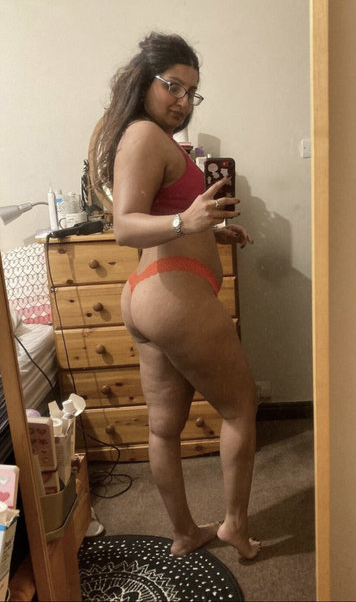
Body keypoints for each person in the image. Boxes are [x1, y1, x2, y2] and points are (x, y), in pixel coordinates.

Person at [93, 32, 260, 560]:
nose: (183, 100)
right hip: (172, 295)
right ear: (144, 81)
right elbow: (125, 226)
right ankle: (234, 526)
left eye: (192, 91)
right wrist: (187, 221)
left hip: (150, 296)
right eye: (173, 86)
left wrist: (212, 230)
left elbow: (166, 220)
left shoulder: (152, 139)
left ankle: (185, 534)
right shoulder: (144, 135)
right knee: (241, 408)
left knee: (164, 429)